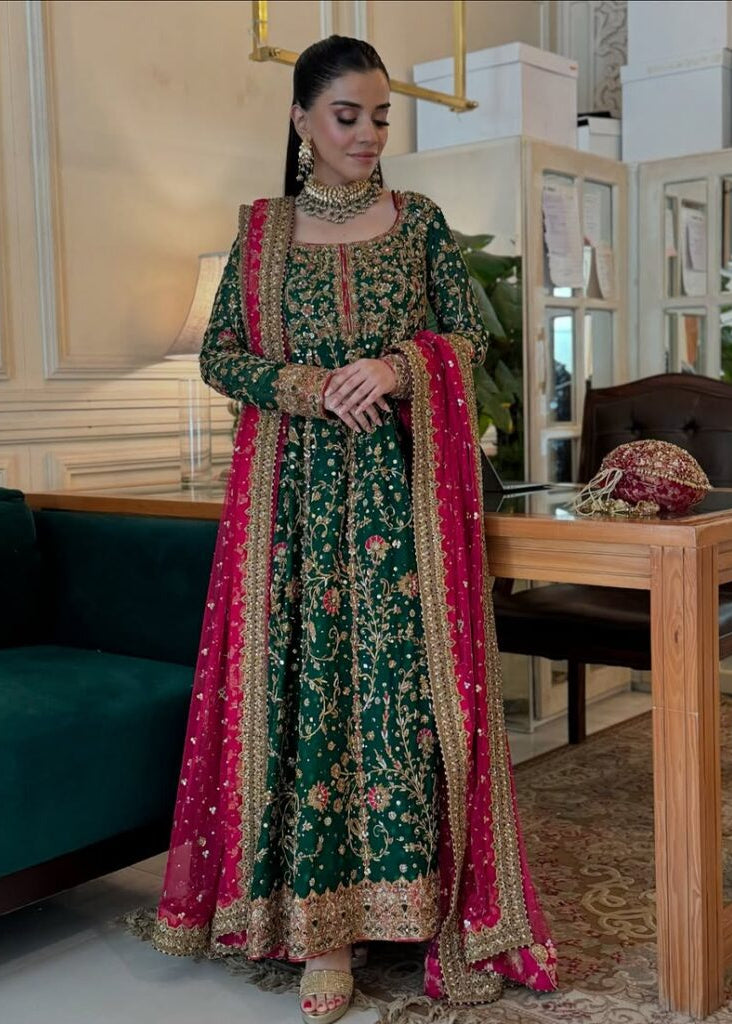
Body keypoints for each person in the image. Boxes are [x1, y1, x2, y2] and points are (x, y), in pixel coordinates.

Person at [130, 34, 557, 1024]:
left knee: (400, 701)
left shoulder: (420, 224)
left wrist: (402, 366)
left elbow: (470, 335)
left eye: (380, 117)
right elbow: (221, 355)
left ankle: (413, 909)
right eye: (347, 116)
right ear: (301, 122)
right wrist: (310, 385)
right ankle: (322, 937)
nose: (368, 135)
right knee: (309, 696)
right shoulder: (262, 230)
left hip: (401, 508)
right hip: (291, 508)